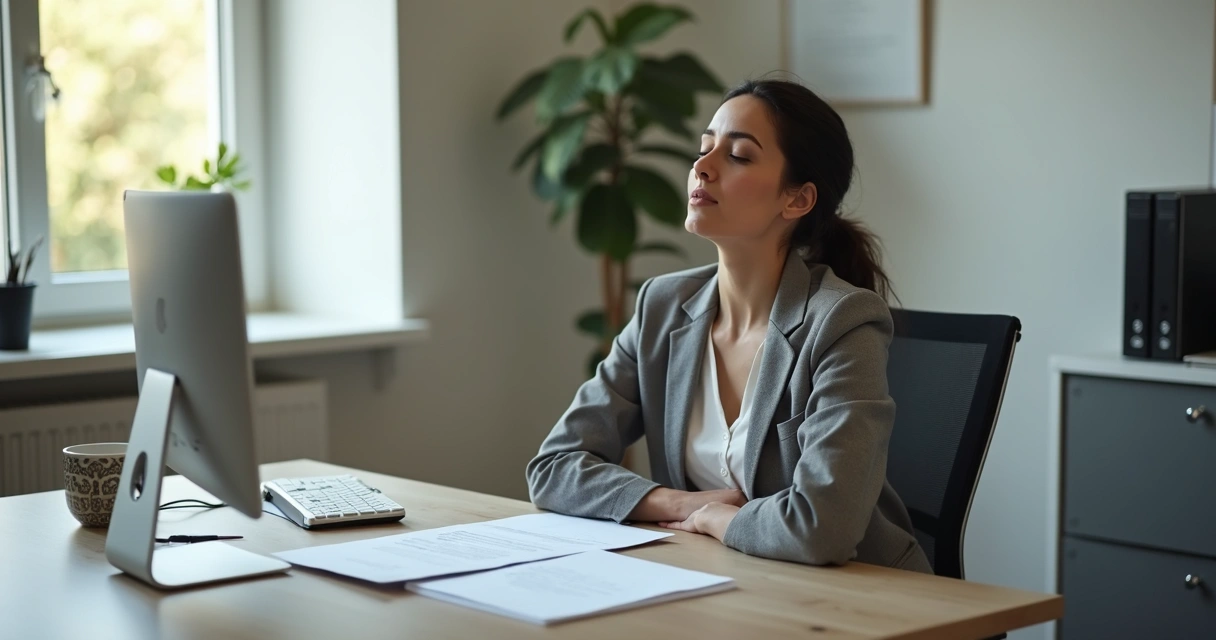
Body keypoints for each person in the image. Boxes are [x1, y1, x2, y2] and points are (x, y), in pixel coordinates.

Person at [525, 78, 932, 573]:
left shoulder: (842, 322)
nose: (702, 167)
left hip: (861, 592)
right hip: (724, 578)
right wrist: (679, 503)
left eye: (738, 155)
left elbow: (822, 528)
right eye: (704, 148)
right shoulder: (662, 307)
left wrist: (719, 518)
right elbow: (555, 467)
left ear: (797, 200)